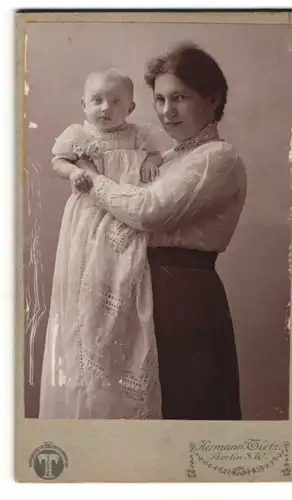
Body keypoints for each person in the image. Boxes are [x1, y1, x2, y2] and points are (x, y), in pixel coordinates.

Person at [79, 43, 247, 420]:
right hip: (147, 289)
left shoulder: (216, 158)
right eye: (159, 99)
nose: (167, 111)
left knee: (188, 402)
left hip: (183, 296)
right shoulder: (168, 158)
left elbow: (147, 211)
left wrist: (91, 178)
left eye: (180, 97)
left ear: (213, 98)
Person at [39, 68, 163, 419]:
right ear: (83, 103)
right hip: (89, 217)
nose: (105, 108)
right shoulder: (79, 134)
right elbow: (57, 161)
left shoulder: (139, 135)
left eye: (115, 101)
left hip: (125, 219)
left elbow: (157, 154)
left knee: (126, 289)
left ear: (131, 106)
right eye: (97, 100)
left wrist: (152, 161)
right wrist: (74, 172)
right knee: (86, 288)